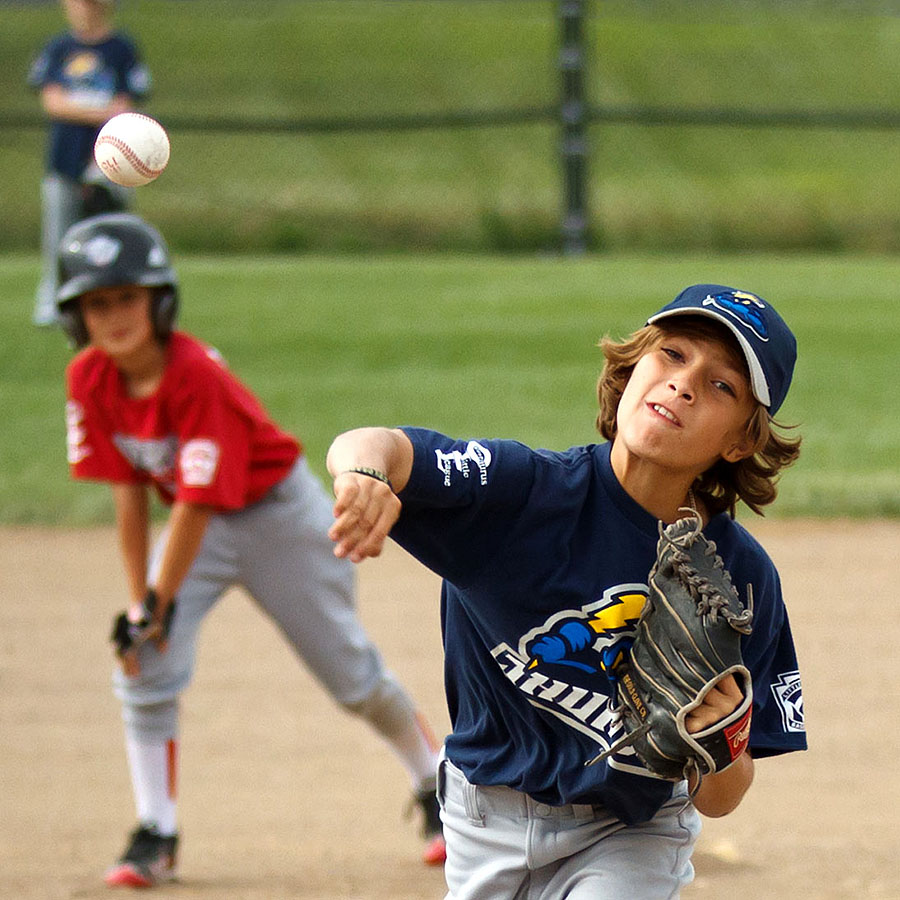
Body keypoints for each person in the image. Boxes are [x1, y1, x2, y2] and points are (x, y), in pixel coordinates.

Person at [326, 284, 807, 899]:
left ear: (741, 439)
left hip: (631, 830)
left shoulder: (739, 583)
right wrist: (363, 474)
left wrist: (722, 741)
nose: (684, 384)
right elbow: (381, 446)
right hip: (483, 817)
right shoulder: (523, 497)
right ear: (635, 365)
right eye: (673, 355)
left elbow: (723, 798)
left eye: (722, 386)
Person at [56, 213, 447, 889]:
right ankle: (157, 832)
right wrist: (141, 605)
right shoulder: (89, 380)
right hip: (196, 532)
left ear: (159, 301)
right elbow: (128, 494)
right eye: (97, 303)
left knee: (350, 676)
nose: (114, 315)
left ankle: (435, 786)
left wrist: (159, 597)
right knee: (142, 656)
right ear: (75, 316)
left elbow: (195, 500)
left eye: (127, 297)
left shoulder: (195, 374)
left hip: (277, 519)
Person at [28, 0, 151, 326]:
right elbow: (52, 102)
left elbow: (124, 103)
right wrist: (99, 110)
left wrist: (87, 109)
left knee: (112, 235)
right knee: (59, 235)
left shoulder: (120, 48)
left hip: (112, 163)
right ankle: (53, 303)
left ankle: (116, 303)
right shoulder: (59, 48)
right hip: (65, 158)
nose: (82, 10)